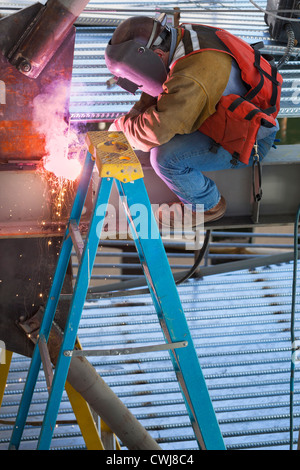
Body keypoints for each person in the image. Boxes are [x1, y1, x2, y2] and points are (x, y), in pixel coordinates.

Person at [105, 15, 282, 228]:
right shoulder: (179, 38)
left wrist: (120, 129)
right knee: (142, 137)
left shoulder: (192, 76)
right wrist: (132, 117)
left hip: (247, 138)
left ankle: (206, 205)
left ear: (157, 55)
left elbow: (157, 130)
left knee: (164, 158)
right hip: (222, 116)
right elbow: (155, 84)